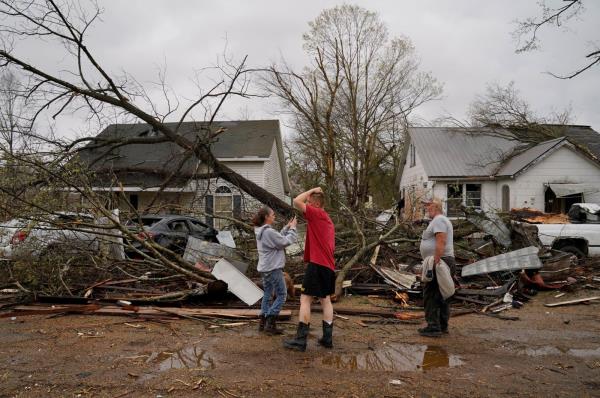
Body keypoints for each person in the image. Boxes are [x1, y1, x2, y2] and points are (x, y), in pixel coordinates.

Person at [284, 187, 336, 352]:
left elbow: (296, 200)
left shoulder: (317, 213)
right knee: (325, 300)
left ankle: (300, 341)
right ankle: (327, 339)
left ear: (317, 204)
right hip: (328, 266)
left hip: (318, 265)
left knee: (305, 299)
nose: (307, 203)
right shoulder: (326, 218)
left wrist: (313, 189)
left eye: (310, 201)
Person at [252, 207, 297, 335]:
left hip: (265, 268)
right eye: (272, 214)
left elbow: (276, 239)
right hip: (273, 268)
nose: (274, 216)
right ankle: (270, 323)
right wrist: (293, 228)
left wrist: (286, 228)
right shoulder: (268, 232)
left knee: (267, 293)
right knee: (282, 295)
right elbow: (285, 241)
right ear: (266, 217)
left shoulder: (261, 230)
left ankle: (263, 320)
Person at [418, 197, 455, 337]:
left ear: (436, 207)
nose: (427, 208)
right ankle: (442, 325)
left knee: (431, 294)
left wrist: (436, 261)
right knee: (442, 294)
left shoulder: (439, 220)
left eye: (429, 206)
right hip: (444, 260)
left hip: (440, 261)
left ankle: (433, 327)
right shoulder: (440, 220)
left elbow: (441, 240)